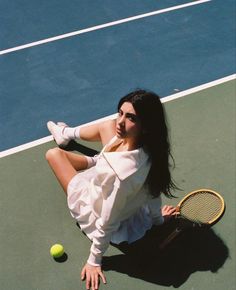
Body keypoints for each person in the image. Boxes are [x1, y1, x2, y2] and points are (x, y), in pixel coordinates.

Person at [45, 89, 177, 290]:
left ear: (145, 126)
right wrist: (157, 220)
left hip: (93, 206)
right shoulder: (152, 151)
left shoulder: (121, 177)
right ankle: (79, 145)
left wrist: (94, 260)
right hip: (122, 195)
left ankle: (77, 146)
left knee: (54, 154)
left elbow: (108, 219)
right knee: (106, 126)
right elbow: (152, 193)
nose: (121, 122)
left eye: (130, 117)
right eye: (121, 113)